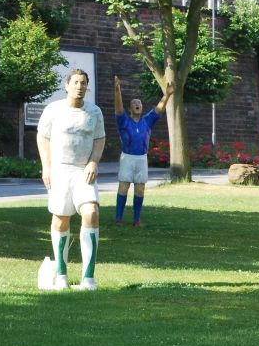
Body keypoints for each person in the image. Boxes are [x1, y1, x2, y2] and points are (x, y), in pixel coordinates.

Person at [37, 68, 106, 291]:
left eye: (83, 83)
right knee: (61, 219)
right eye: (75, 82)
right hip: (60, 170)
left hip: (83, 171)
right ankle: (61, 275)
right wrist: (46, 167)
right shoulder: (53, 110)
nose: (79, 86)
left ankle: (88, 279)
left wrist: (93, 162)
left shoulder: (94, 112)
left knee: (92, 212)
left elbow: (99, 139)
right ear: (66, 85)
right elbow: (43, 137)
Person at [113, 76, 170, 226]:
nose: (137, 104)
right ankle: (119, 218)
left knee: (140, 189)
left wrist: (167, 94)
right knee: (123, 187)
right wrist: (117, 90)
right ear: (130, 108)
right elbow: (118, 108)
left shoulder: (147, 121)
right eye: (134, 103)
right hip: (127, 158)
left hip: (142, 159)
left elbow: (159, 108)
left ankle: (136, 219)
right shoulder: (124, 121)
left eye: (139, 103)